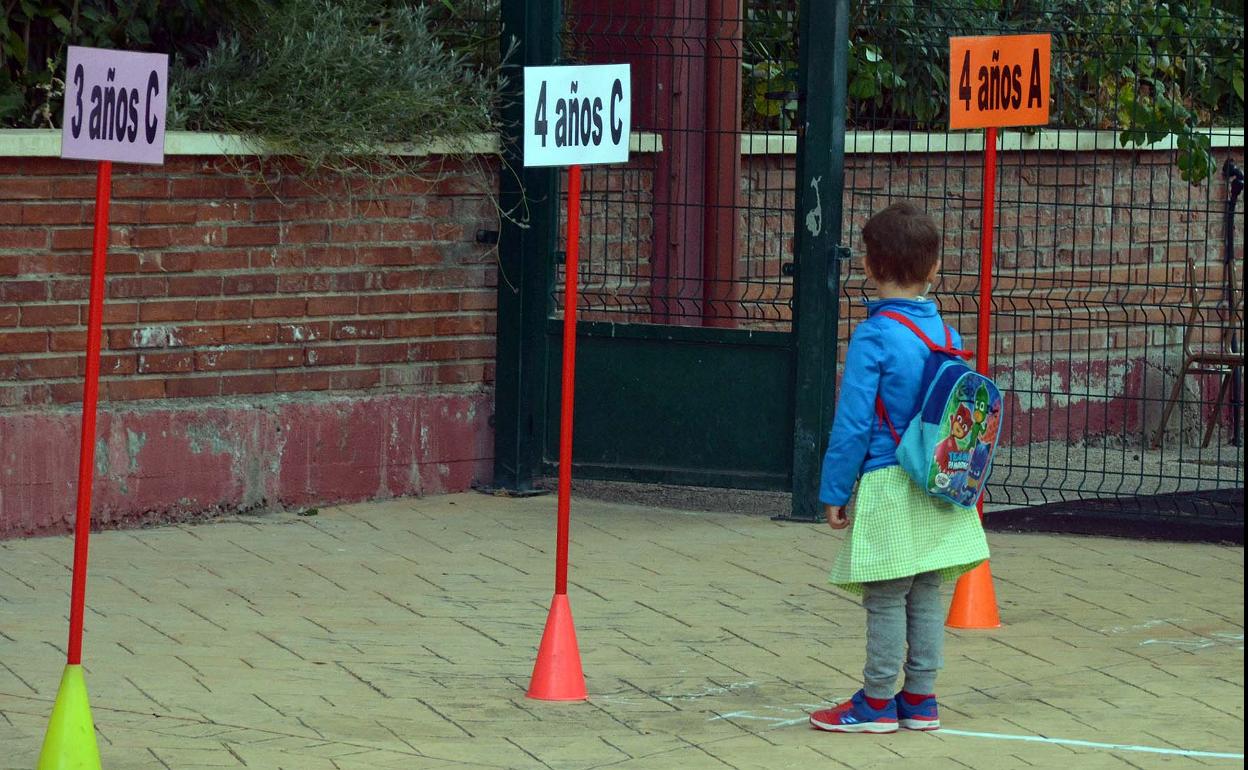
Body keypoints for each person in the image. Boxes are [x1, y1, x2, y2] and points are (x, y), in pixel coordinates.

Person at [809, 201, 990, 734]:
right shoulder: (947, 336)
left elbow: (853, 421)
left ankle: (876, 702)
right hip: (938, 481)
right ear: (934, 269)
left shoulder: (874, 336)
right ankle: (921, 699)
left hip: (890, 480)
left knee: (885, 595)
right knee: (928, 590)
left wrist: (834, 489)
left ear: (867, 266)